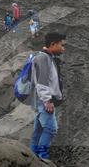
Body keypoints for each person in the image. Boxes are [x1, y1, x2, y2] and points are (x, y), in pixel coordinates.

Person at [29, 31, 66, 161]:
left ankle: (31, 155)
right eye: (61, 45)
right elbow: (42, 82)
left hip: (40, 100)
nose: (63, 48)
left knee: (38, 130)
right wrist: (47, 100)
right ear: (53, 44)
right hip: (43, 100)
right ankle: (41, 156)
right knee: (51, 128)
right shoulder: (43, 58)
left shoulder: (47, 58)